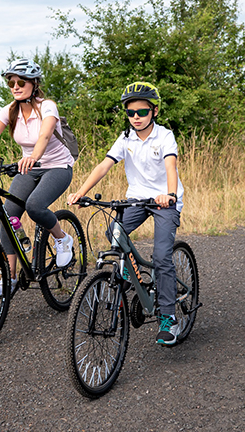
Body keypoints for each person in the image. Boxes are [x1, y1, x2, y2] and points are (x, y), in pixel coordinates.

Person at [66, 82, 185, 346]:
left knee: (162, 255)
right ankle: (135, 277)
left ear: (154, 111)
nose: (135, 117)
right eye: (130, 112)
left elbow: (171, 166)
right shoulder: (126, 137)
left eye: (142, 112)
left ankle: (169, 318)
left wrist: (170, 194)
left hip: (164, 200)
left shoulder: (164, 136)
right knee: (114, 233)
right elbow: (104, 165)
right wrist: (81, 192)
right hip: (136, 200)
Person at [0, 58, 76, 297]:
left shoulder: (47, 106)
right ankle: (10, 277)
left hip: (57, 166)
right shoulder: (9, 111)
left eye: (21, 81)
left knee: (35, 206)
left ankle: (62, 239)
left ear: (34, 83)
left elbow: (45, 136)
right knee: (7, 215)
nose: (15, 86)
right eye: (11, 82)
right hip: (29, 168)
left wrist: (34, 157)